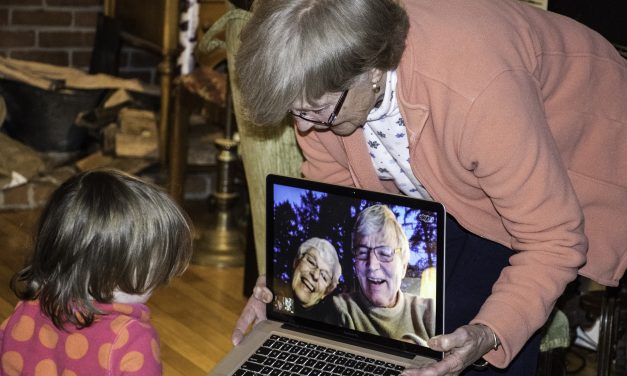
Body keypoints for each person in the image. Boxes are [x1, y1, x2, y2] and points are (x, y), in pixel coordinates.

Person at [232, 0, 627, 375]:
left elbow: (553, 239)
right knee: (394, 326)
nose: (304, 128)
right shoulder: (325, 91)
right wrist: (284, 291)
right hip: (458, 181)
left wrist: (488, 332)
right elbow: (338, 197)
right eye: (295, 111)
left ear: (371, 70)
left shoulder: (475, 94)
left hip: (574, 156)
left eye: (316, 110)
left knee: (468, 337)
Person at [0, 169, 193, 375]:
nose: (162, 278)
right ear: (113, 270)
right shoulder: (131, 338)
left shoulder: (28, 308)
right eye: (157, 267)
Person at [331, 205, 434, 346]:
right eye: (362, 253)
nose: (372, 265)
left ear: (403, 267)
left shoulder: (429, 312)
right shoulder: (340, 309)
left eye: (385, 253)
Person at [273, 237, 342, 317]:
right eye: (311, 262)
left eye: (324, 276)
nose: (315, 275)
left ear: (326, 292)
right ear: (296, 261)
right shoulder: (271, 290)